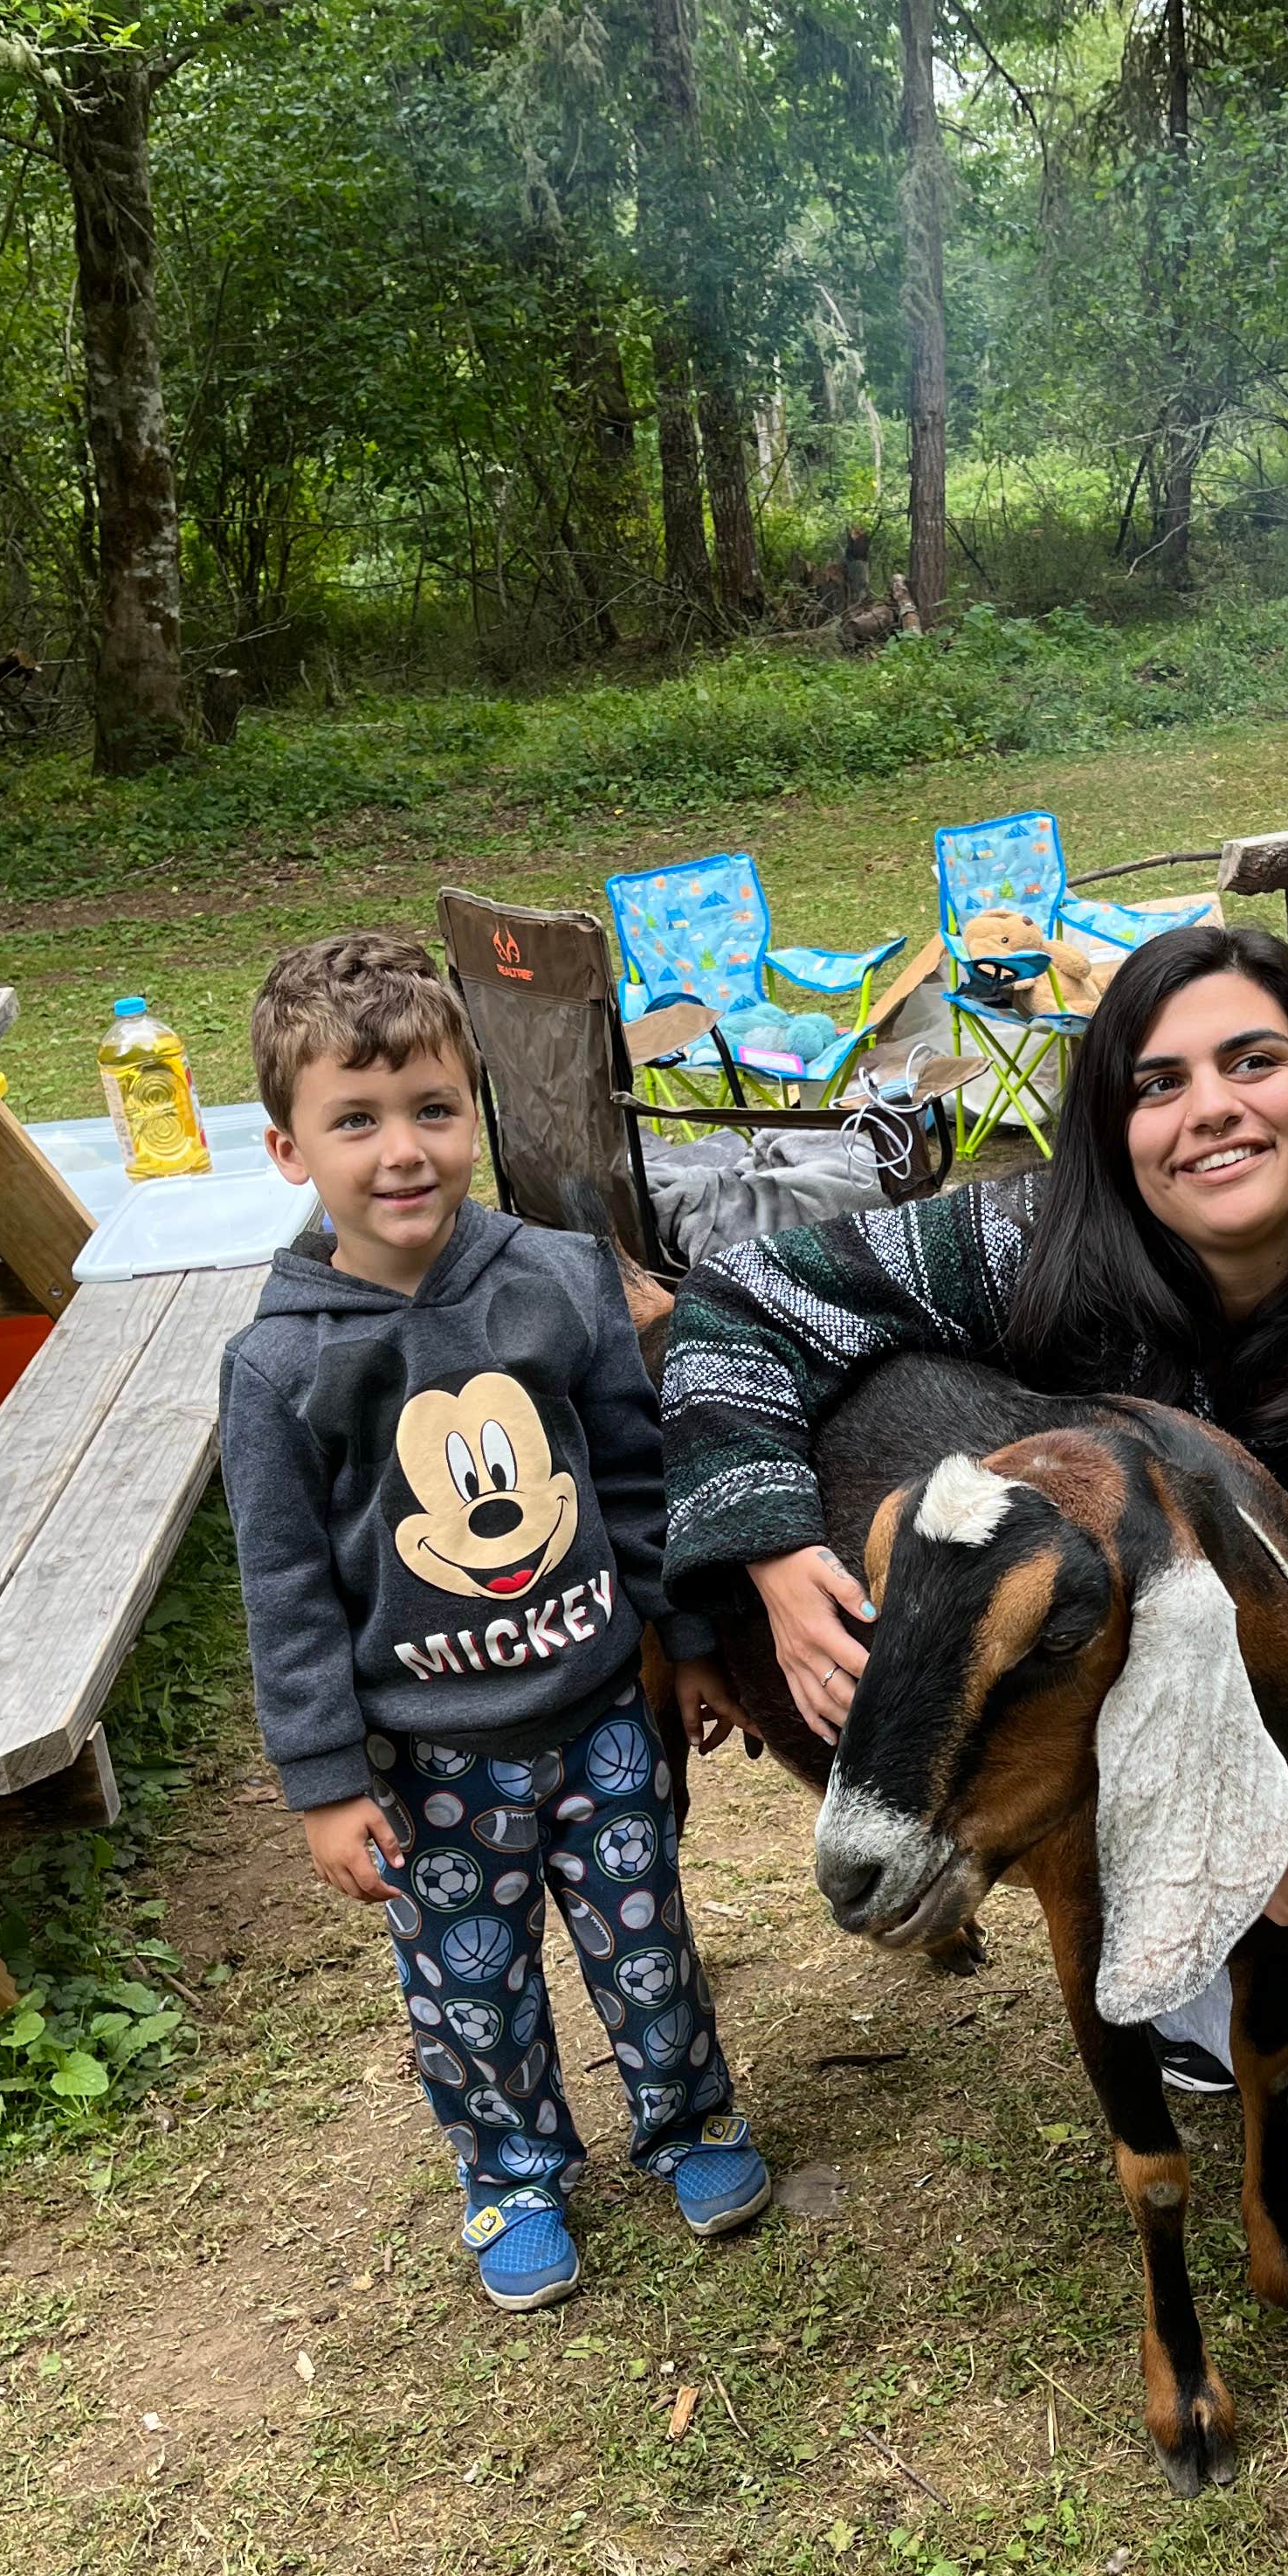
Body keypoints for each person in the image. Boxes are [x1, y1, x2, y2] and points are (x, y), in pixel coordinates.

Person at [660, 925, 1288, 2414]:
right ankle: (1193, 1997)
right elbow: (741, 1303)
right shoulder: (1026, 1252)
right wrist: (764, 1548)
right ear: (1114, 1127)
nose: (1208, 1106)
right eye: (1158, 1081)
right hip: (1127, 1800)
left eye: (1251, 1061)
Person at [217, 930, 766, 2313]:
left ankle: (688, 2116)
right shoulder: (279, 1363)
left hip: (598, 1717)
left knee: (646, 1941)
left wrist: (687, 1644)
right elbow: (286, 1588)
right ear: (290, 1151)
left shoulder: (561, 1280)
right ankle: (513, 2170)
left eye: (433, 1111)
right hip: (428, 1763)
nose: (402, 1151)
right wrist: (326, 1784)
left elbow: (639, 1482)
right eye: (355, 1121)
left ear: (476, 1114)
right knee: (473, 1988)